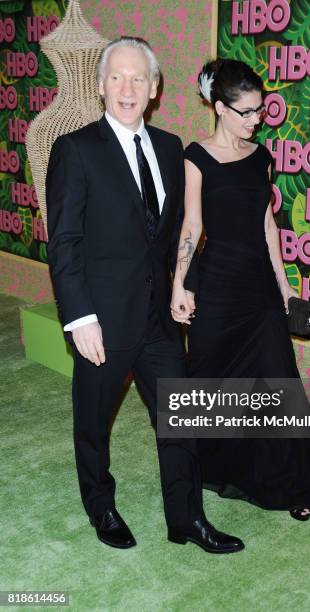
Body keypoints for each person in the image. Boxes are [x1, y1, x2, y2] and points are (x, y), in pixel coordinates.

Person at [46, 39, 244, 554]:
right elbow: (64, 242)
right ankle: (101, 506)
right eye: (116, 77)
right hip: (102, 323)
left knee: (181, 421)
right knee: (92, 424)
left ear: (155, 88)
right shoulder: (76, 149)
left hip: (159, 321)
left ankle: (187, 519)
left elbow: (180, 229)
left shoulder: (168, 147)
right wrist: (79, 318)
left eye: (138, 78)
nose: (127, 88)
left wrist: (182, 283)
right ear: (100, 85)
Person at [171, 58, 310, 520]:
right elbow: (192, 226)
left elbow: (267, 225)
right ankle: (211, 464)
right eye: (247, 112)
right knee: (210, 382)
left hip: (259, 290)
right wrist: (179, 284)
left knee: (277, 381)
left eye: (260, 111)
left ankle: (292, 482)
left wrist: (286, 288)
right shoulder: (197, 157)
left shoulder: (262, 157)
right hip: (216, 287)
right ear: (219, 108)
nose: (256, 120)